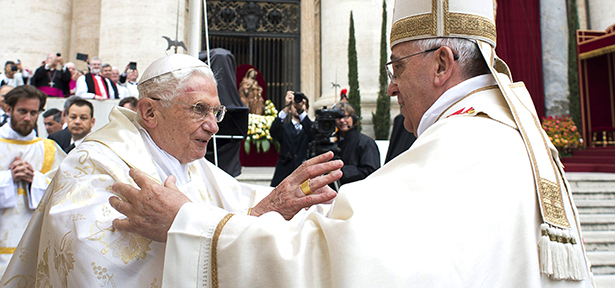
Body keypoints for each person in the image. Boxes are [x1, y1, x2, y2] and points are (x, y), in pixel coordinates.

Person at [99, 1, 595, 287]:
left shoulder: (463, 145)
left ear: (442, 64)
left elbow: (335, 260)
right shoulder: (498, 133)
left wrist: (189, 225)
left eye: (396, 67)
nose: (393, 86)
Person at [0, 54, 341, 286]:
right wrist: (256, 216)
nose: (214, 126)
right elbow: (94, 270)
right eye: (199, 110)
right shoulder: (93, 165)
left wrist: (285, 202)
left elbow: (246, 201)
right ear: (149, 112)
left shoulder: (193, 165)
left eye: (217, 112)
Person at [0, 85, 65, 277]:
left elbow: (65, 192)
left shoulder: (49, 149)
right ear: (8, 109)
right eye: (22, 111)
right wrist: (7, 178)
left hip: (34, 243)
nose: (28, 118)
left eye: (33, 112)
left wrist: (34, 179)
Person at [270, 91, 313, 187]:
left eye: (303, 104)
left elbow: (313, 135)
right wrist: (286, 106)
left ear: (306, 109)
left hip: (304, 175)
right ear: (290, 109)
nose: (298, 106)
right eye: (295, 105)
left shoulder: (310, 127)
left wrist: (301, 111)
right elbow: (273, 131)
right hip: (284, 174)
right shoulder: (284, 127)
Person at [334, 102, 380, 185]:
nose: (342, 120)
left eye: (346, 116)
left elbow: (371, 171)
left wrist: (341, 171)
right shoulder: (332, 142)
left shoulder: (366, 142)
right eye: (338, 117)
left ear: (354, 118)